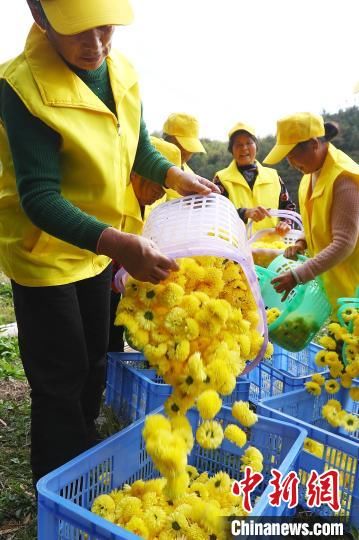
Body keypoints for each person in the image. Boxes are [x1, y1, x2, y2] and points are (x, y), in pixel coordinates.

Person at [0, 0, 219, 487]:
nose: (96, 44)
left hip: (101, 246)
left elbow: (137, 145)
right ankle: (60, 480)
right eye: (80, 31)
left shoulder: (119, 69)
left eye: (105, 28)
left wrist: (175, 175)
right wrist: (121, 244)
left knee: (97, 355)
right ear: (40, 16)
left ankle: (83, 444)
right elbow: (39, 197)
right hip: (47, 252)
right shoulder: (21, 86)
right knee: (61, 374)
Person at [263, 112, 359, 310]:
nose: (290, 163)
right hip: (331, 289)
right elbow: (319, 219)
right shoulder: (311, 173)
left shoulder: (344, 179)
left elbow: (344, 243)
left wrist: (298, 275)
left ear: (314, 144)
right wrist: (302, 242)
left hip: (352, 291)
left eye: (292, 155)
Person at [108, 137, 182, 352]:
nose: (160, 194)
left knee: (112, 340)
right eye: (158, 186)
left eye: (164, 189)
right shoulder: (114, 200)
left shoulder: (152, 204)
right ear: (137, 172)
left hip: (123, 284)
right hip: (97, 280)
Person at [213, 122, 296, 235]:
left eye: (249, 143)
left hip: (271, 247)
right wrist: (244, 213)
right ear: (231, 150)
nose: (244, 148)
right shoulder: (221, 178)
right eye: (238, 144)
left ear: (256, 146)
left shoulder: (273, 176)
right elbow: (217, 213)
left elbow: (288, 207)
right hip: (237, 247)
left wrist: (286, 223)